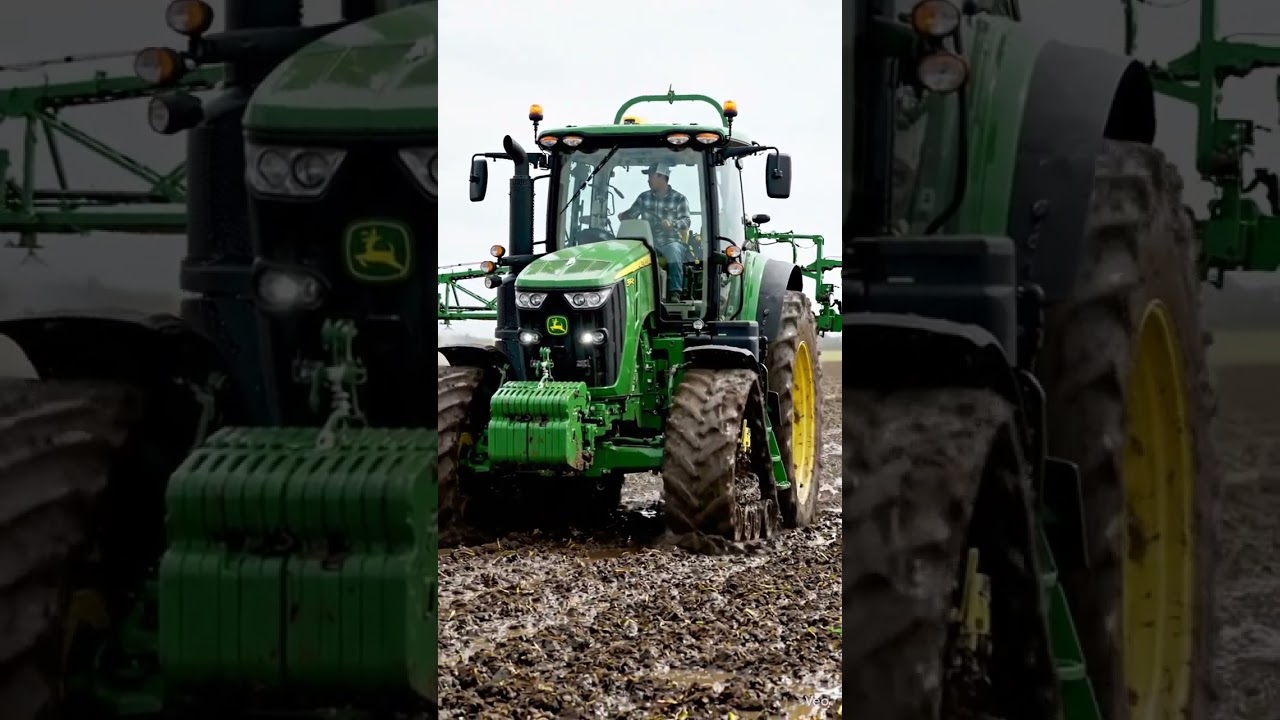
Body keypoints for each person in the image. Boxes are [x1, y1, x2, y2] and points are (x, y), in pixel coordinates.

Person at [618, 163, 693, 298]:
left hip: (669, 241)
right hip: (647, 242)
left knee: (674, 252)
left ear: (662, 177)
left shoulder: (679, 199)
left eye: (651, 176)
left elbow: (686, 222)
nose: (648, 180)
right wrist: (624, 216)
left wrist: (673, 224)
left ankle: (675, 292)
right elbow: (631, 215)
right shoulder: (643, 197)